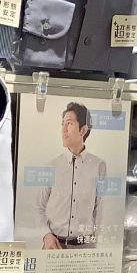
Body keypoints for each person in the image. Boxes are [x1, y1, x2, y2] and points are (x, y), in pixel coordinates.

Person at [38, 102, 107, 249]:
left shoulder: (98, 166)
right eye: (62, 124)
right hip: (54, 246)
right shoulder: (52, 166)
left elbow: (100, 208)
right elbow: (38, 206)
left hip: (85, 247)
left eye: (69, 124)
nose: (63, 130)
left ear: (83, 130)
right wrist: (46, 235)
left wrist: (95, 244)